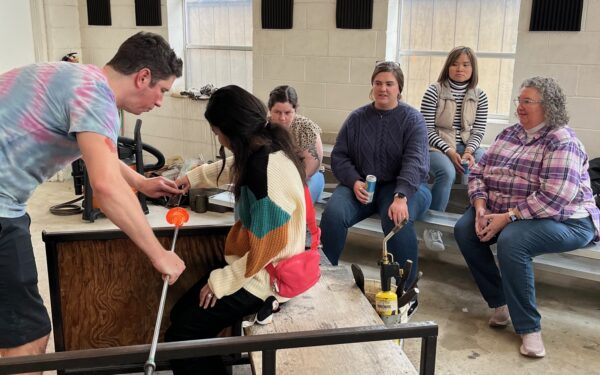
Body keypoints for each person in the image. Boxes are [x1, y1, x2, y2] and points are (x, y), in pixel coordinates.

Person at [0, 31, 186, 367]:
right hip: (1, 211)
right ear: (143, 77)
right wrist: (159, 254)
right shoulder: (96, 97)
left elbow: (98, 153)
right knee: (27, 336)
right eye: (162, 90)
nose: (160, 101)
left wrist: (140, 184)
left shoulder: (79, 79)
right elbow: (106, 187)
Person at [165, 85, 308, 374]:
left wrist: (222, 281)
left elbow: (268, 248)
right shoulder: (266, 146)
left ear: (231, 132)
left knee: (181, 338)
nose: (218, 138)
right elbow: (233, 165)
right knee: (183, 316)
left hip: (266, 277)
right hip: (256, 265)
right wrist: (190, 179)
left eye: (217, 133)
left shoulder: (264, 173)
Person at [454, 77, 600, 358]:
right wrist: (481, 206)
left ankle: (529, 327)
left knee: (513, 241)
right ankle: (499, 303)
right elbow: (479, 173)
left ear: (548, 107)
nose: (519, 107)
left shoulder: (562, 141)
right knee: (465, 230)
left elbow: (555, 197)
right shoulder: (509, 134)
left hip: (567, 220)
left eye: (527, 102)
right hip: (507, 211)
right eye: (518, 101)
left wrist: (507, 217)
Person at [319, 61, 432, 289]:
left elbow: (415, 162)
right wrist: (353, 181)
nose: (383, 89)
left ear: (399, 88)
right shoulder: (357, 118)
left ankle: (405, 289)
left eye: (389, 84)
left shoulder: (412, 119)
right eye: (378, 83)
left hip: (402, 187)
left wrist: (401, 197)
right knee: (333, 213)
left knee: (396, 220)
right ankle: (322, 274)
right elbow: (340, 156)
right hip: (361, 185)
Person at [420, 46, 489, 252]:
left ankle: (474, 221)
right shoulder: (434, 91)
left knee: (484, 165)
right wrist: (450, 151)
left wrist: (468, 151)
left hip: (467, 145)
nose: (460, 68)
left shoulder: (480, 95)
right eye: (455, 63)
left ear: (472, 68)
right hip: (435, 145)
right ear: (448, 66)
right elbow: (426, 129)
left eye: (466, 64)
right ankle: (432, 227)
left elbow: (478, 130)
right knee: (447, 172)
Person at [268, 85, 325, 204]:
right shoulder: (264, 127)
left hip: (306, 177)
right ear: (270, 110)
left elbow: (312, 164)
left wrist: (286, 186)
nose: (282, 118)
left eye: (288, 112)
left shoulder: (306, 128)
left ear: (295, 110)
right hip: (274, 177)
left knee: (293, 202)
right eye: (277, 112)